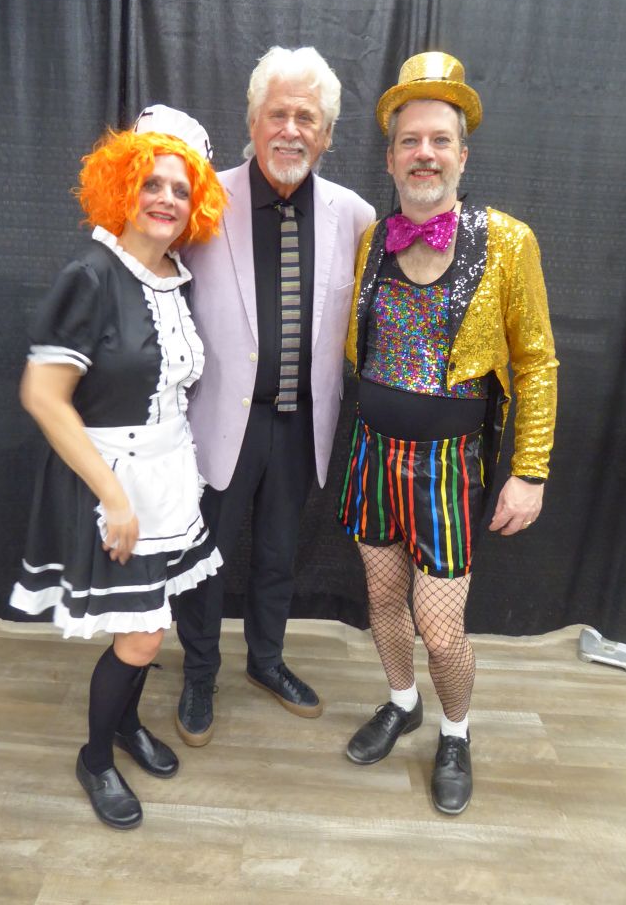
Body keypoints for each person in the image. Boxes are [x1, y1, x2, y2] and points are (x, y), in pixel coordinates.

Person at [339, 52, 557, 814]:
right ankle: (402, 704)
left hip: (449, 469)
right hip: (373, 456)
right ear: (391, 157)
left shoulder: (507, 241)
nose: (424, 153)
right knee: (382, 601)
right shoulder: (374, 239)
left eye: (439, 140)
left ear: (463, 155)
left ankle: (456, 733)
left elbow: (536, 362)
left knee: (440, 628)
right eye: (410, 140)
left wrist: (529, 469)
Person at [9, 106, 226, 829]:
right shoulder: (92, 274)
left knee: (147, 624)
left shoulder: (172, 277)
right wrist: (114, 499)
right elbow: (43, 396)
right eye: (151, 183)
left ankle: (128, 726)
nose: (166, 199)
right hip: (113, 481)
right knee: (141, 636)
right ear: (121, 187)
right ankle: (95, 757)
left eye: (181, 189)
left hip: (168, 476)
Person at [173, 46, 375, 745]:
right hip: (218, 419)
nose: (291, 130)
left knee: (279, 555)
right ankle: (199, 674)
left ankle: (265, 661)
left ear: (328, 135)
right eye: (278, 114)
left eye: (307, 118)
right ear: (253, 122)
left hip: (300, 424)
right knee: (205, 560)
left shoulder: (355, 216)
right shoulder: (205, 202)